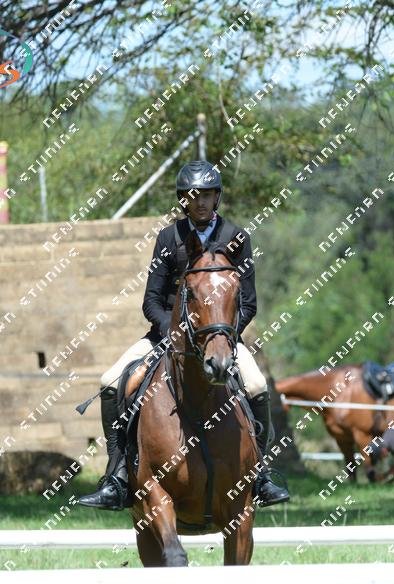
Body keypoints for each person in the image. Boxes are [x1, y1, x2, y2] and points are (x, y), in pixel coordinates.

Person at [78, 159, 290, 511]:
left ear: (216, 197)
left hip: (221, 339)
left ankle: (261, 476)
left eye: (207, 195)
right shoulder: (168, 237)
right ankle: (117, 477)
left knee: (256, 385)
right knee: (111, 382)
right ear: (183, 200)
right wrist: (173, 332)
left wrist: (224, 337)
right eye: (193, 196)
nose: (200, 202)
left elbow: (248, 303)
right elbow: (151, 300)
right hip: (166, 336)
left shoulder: (236, 238)